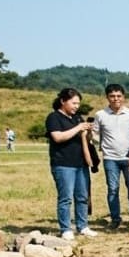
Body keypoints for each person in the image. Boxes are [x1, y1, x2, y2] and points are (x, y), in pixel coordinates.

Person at [46, 88, 97, 240]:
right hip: (63, 164)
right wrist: (78, 128)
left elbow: (85, 140)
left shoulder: (78, 118)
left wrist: (87, 132)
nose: (76, 106)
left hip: (81, 163)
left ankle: (83, 226)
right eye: (73, 103)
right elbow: (58, 137)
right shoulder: (54, 117)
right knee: (66, 197)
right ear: (63, 101)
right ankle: (65, 228)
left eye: (78, 104)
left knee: (82, 196)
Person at [93, 84, 129, 230]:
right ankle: (115, 218)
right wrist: (99, 145)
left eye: (119, 96)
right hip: (110, 158)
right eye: (112, 96)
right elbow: (95, 134)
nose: (116, 99)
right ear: (107, 97)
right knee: (113, 189)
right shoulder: (100, 115)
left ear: (123, 97)